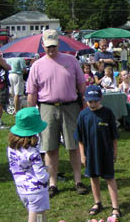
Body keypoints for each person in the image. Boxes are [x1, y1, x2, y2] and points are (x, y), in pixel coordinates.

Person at [26, 29, 88, 198]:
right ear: (43, 46)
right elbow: (31, 92)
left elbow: (81, 84)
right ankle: (52, 183)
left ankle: (78, 181)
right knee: (49, 147)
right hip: (47, 108)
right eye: (48, 47)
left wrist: (85, 104)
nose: (51, 49)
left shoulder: (71, 61)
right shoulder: (37, 66)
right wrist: (31, 114)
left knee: (73, 146)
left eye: (53, 46)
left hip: (70, 107)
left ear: (58, 44)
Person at [75, 85, 121, 222]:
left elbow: (114, 136)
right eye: (90, 101)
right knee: (93, 177)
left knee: (109, 178)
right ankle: (97, 202)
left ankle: (115, 207)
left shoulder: (107, 113)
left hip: (106, 152)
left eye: (95, 101)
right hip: (91, 153)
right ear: (85, 100)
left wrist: (114, 151)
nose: (93, 104)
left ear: (100, 99)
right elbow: (80, 139)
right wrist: (82, 155)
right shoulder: (83, 115)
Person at [8, 107, 49, 222]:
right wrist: (48, 173)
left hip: (22, 189)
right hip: (37, 191)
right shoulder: (33, 152)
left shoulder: (10, 149)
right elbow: (41, 176)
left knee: (41, 221)